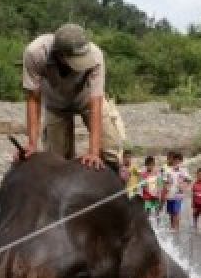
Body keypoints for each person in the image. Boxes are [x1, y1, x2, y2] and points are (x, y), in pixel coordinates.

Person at [20, 23, 123, 170]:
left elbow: (96, 102)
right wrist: (32, 144)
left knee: (110, 150)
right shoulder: (35, 53)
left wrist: (94, 152)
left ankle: (117, 179)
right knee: (57, 159)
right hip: (56, 105)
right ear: (59, 54)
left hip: (87, 100)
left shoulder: (95, 56)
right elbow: (33, 98)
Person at [163, 151, 190, 231]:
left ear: (181, 162)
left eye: (179, 161)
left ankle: (176, 229)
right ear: (173, 161)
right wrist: (165, 192)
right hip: (170, 194)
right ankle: (172, 228)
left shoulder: (183, 170)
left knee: (176, 212)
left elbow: (189, 180)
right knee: (171, 213)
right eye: (175, 161)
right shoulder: (168, 170)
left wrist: (184, 187)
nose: (177, 163)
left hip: (178, 194)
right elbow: (165, 182)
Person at [139, 155, 163, 220]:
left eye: (151, 165)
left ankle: (158, 227)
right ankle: (147, 225)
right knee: (147, 212)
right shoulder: (143, 174)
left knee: (157, 212)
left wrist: (158, 194)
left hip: (156, 196)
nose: (150, 167)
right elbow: (143, 186)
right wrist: (150, 193)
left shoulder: (157, 174)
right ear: (146, 165)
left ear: (154, 165)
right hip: (147, 197)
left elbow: (160, 185)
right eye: (148, 165)